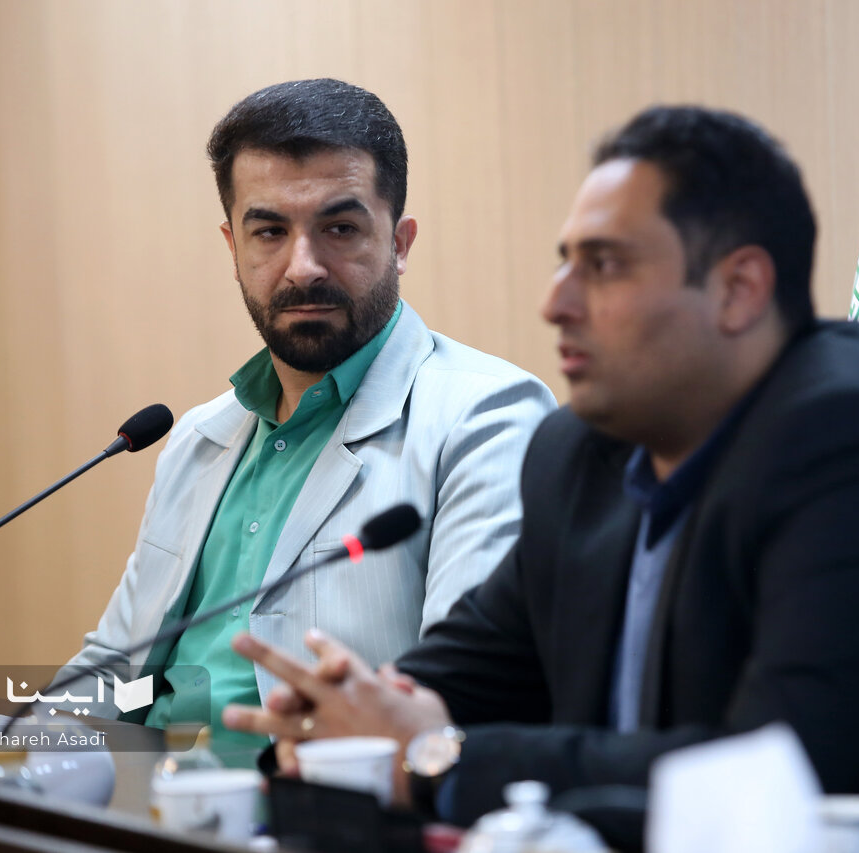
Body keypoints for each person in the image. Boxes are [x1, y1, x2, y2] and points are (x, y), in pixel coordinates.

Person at [223, 105, 859, 847]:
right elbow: (471, 671)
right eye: (566, 260)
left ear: (739, 289)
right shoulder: (581, 452)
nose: (555, 301)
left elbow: (763, 778)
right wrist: (347, 716)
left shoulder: (857, 448)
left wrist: (437, 758)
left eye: (603, 265)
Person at [61, 79, 555, 754]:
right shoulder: (198, 439)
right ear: (233, 247)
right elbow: (124, 675)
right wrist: (12, 744)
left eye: (340, 228)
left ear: (400, 242)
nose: (303, 267)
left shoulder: (486, 419)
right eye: (270, 231)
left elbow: (461, 695)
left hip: (313, 803)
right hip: (139, 796)